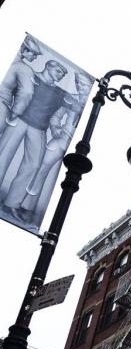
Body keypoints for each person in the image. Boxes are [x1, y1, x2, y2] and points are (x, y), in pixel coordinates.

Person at [18, 72, 93, 228]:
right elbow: (56, 117)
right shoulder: (69, 98)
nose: (81, 88)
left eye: (84, 85)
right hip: (62, 139)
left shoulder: (93, 105)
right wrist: (56, 129)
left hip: (80, 147)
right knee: (41, 169)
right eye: (78, 84)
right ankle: (26, 206)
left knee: (61, 177)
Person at [0, 60, 69, 223]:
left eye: (63, 73)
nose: (61, 74)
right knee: (2, 155)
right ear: (48, 66)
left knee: (33, 165)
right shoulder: (29, 77)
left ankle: (12, 203)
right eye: (59, 70)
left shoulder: (60, 93)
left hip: (39, 128)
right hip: (19, 120)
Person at [0, 36, 42, 137]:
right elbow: (27, 92)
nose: (35, 57)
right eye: (34, 54)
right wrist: (15, 113)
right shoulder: (24, 68)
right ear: (24, 49)